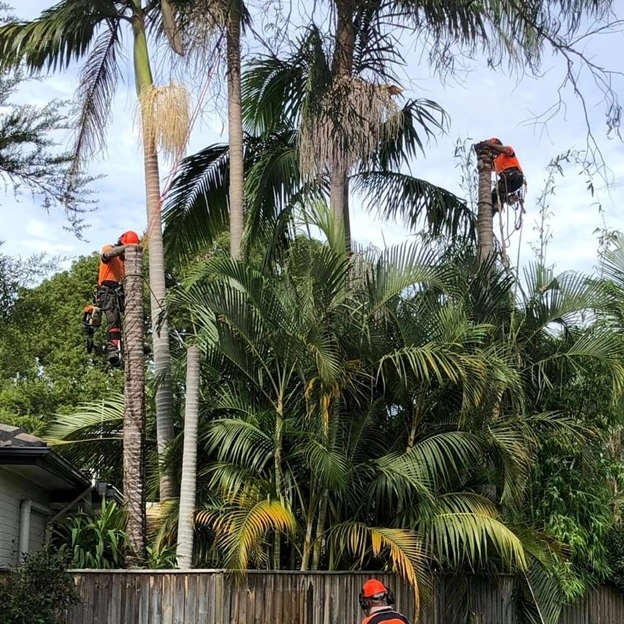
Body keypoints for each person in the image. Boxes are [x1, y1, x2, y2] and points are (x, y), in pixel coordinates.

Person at [88, 230, 141, 366]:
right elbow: (107, 255)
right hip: (105, 291)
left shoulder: (124, 262)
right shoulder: (109, 249)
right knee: (113, 319)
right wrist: (129, 248)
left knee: (135, 311)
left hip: (118, 291)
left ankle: (138, 340)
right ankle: (113, 349)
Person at [480, 137, 525, 213]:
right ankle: (492, 211)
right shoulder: (495, 161)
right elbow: (486, 167)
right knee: (494, 195)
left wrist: (490, 144)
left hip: (515, 176)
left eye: (493, 147)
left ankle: (500, 202)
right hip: (508, 182)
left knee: (503, 181)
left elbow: (506, 150)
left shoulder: (506, 151)